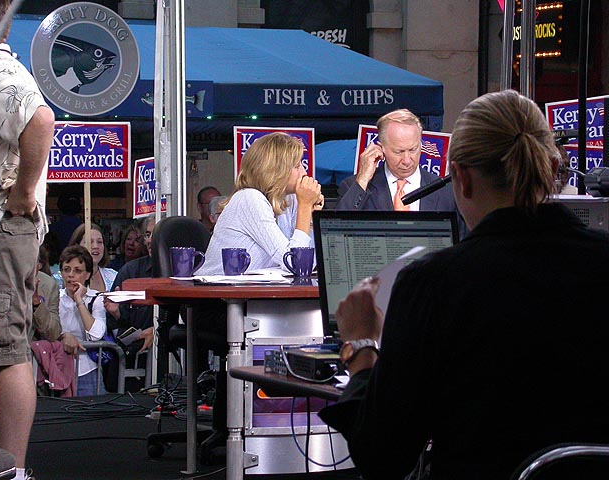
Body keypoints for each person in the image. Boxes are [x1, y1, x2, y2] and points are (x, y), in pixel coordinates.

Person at [319, 89, 609, 480]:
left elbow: (382, 456)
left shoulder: (434, 284)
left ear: (461, 179)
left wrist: (362, 350)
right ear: (553, 167)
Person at [0, 2, 55, 478]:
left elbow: (40, 120)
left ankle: (12, 472)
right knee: (3, 347)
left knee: (5, 351)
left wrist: (22, 193)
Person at [197, 132, 323, 275]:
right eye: (297, 166)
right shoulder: (249, 198)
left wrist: (309, 217)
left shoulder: (290, 199)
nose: (304, 172)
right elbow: (294, 264)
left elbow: (308, 265)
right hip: (217, 287)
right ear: (275, 170)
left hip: (255, 287)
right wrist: (305, 207)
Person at [336, 108, 468, 238]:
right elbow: (337, 232)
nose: (406, 160)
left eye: (413, 150)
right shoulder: (354, 187)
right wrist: (363, 179)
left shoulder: (446, 191)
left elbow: (463, 241)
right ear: (381, 148)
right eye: (398, 152)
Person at [103, 215, 155, 392]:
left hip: (170, 364)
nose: (150, 240)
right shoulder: (130, 271)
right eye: (147, 235)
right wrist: (116, 312)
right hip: (132, 363)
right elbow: (116, 323)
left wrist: (157, 331)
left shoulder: (182, 272)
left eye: (156, 234)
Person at [57, 245, 108, 396]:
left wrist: (79, 300)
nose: (70, 275)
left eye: (77, 271)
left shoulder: (96, 299)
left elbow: (95, 335)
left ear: (87, 275)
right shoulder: (55, 297)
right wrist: (63, 336)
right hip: (57, 367)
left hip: (86, 371)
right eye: (66, 270)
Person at [59, 223, 118, 292]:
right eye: (90, 242)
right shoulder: (58, 280)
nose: (96, 246)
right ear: (76, 246)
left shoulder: (114, 276)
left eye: (99, 242)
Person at [31, 247, 61, 342]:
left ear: (39, 265)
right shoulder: (2, 281)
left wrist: (36, 303)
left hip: (32, 347)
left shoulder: (49, 285)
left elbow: (53, 333)